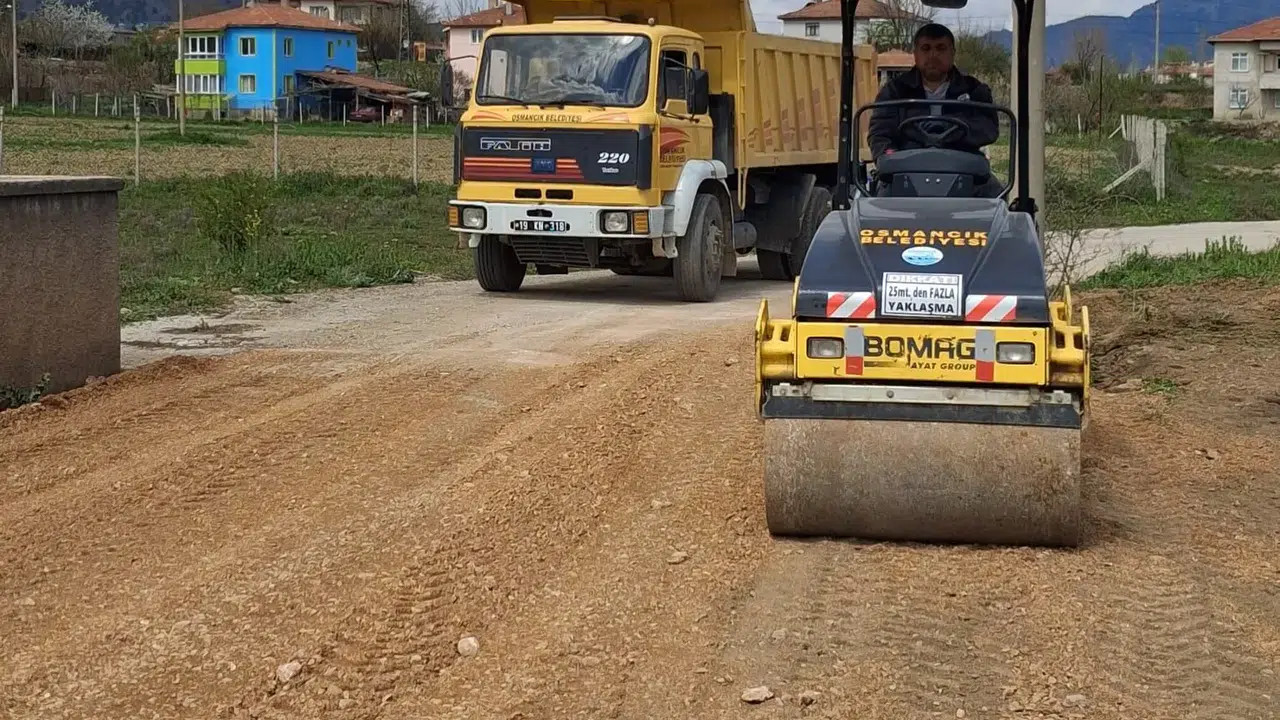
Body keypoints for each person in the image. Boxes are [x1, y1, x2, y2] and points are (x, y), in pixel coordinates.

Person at [868, 23, 1002, 196]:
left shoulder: (974, 90)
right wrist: (890, 157)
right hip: (907, 170)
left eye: (941, 48)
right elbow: (880, 133)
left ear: (952, 53)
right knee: (882, 197)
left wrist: (955, 131)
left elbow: (988, 128)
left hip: (962, 167)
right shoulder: (895, 91)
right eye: (926, 48)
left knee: (996, 194)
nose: (933, 55)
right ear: (915, 54)